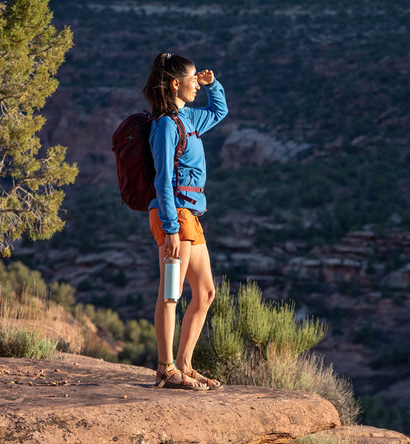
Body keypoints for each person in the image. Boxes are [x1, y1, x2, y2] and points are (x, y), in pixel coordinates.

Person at [141, 52, 228, 390]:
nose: (196, 83)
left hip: (191, 215)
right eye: (193, 78)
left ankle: (185, 365)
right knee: (171, 293)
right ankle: (166, 368)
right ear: (176, 83)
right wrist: (171, 228)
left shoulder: (189, 117)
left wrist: (213, 84)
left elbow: (220, 111)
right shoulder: (165, 125)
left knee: (205, 292)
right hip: (175, 215)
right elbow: (162, 179)